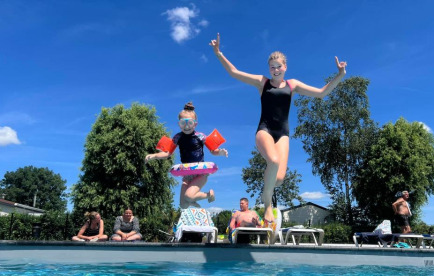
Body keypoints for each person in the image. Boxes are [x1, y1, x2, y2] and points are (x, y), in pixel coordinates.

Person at [209, 33, 347, 227]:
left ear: (285, 67)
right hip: (264, 130)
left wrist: (340, 75)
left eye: (279, 66)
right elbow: (234, 72)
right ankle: (267, 206)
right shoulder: (262, 82)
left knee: (279, 179)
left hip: (283, 134)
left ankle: (268, 190)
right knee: (273, 161)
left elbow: (322, 93)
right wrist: (218, 53)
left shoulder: (293, 85)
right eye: (272, 67)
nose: (275, 70)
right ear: (269, 69)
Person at [145, 102, 228, 208]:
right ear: (179, 124)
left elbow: (213, 150)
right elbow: (167, 153)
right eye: (183, 123)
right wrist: (154, 155)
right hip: (187, 173)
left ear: (195, 124)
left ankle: (209, 194)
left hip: (200, 173)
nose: (187, 126)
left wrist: (220, 152)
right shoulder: (177, 137)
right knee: (183, 205)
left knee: (188, 196)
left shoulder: (200, 136)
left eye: (190, 123)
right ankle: (192, 199)